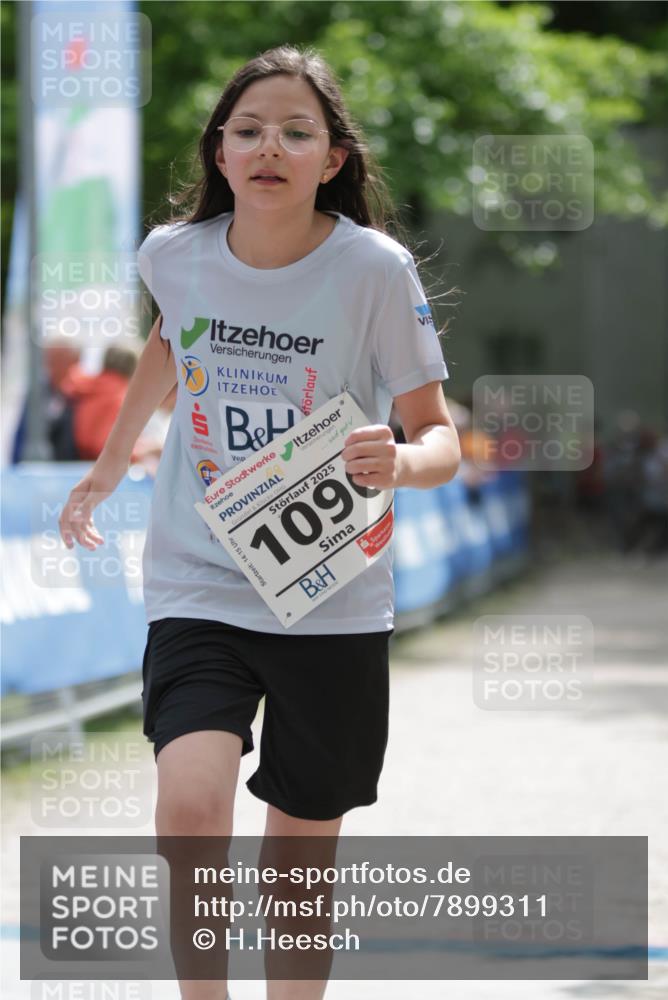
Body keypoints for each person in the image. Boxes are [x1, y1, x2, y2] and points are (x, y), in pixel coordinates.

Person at [58, 44, 461, 1000]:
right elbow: (171, 340)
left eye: (295, 131)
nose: (267, 146)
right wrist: (110, 466)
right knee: (190, 810)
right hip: (200, 578)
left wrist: (401, 462)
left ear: (332, 159)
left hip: (331, 597)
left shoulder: (372, 268)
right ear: (219, 153)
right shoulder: (174, 254)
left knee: (297, 862)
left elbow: (438, 434)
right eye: (247, 130)